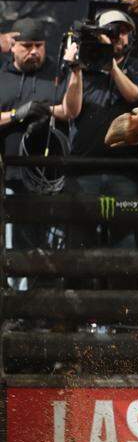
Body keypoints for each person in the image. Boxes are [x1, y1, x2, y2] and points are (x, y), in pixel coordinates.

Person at [1, 18, 82, 273]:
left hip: (51, 175)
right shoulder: (2, 77)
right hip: (12, 174)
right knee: (18, 242)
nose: (34, 51)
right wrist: (16, 114)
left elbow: (71, 110)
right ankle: (19, 302)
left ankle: (49, 302)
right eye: (27, 45)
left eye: (39, 45)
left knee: (51, 243)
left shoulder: (57, 73)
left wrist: (75, 72)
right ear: (13, 46)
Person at [68, 9, 138, 252]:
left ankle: (122, 290)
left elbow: (134, 96)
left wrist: (108, 60)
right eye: (111, 31)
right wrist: (75, 69)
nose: (117, 37)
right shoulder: (85, 66)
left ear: (131, 38)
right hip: (84, 168)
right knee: (79, 241)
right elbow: (71, 110)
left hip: (125, 169)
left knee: (124, 241)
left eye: (122, 32)